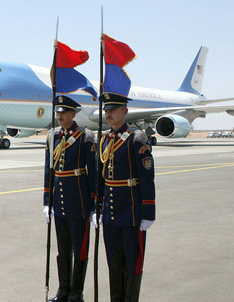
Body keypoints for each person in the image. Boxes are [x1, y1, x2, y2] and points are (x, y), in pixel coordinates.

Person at [93, 93, 156, 301]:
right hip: (111, 214)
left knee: (132, 265)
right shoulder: (104, 140)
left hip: (131, 214)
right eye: (106, 110)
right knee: (114, 264)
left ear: (125, 112)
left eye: (113, 109)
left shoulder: (136, 140)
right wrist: (98, 208)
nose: (108, 113)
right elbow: (101, 178)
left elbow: (147, 179)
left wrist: (148, 213)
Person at [43, 95, 96, 302]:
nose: (60, 116)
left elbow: (92, 174)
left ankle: (76, 292)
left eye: (64, 112)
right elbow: (49, 172)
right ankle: (63, 290)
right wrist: (47, 202)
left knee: (80, 250)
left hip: (79, 202)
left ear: (74, 114)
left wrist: (94, 206)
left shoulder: (85, 136)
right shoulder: (52, 136)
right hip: (60, 204)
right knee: (62, 251)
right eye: (57, 112)